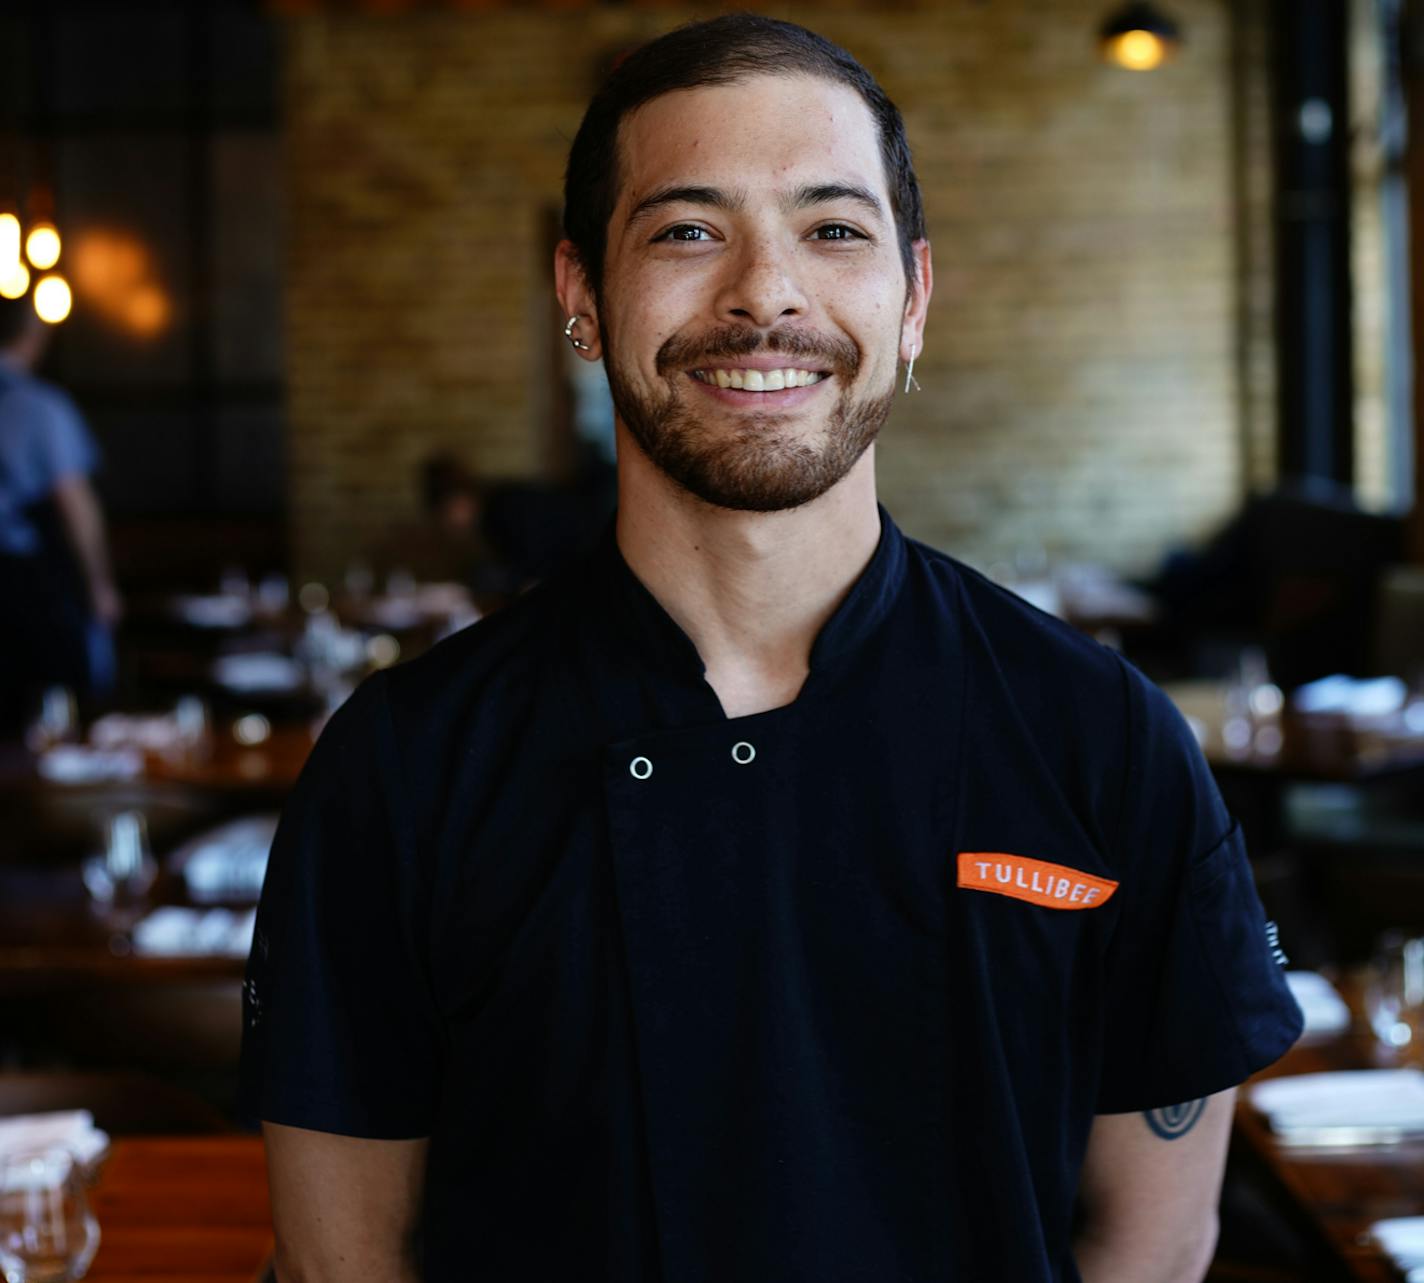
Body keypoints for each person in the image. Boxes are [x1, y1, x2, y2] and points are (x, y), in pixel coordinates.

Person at [242, 16, 1302, 1282]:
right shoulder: (407, 764)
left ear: (910, 303)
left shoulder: (1101, 738)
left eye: (832, 230)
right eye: (687, 230)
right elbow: (343, 1265)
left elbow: (1152, 1241)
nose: (764, 293)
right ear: (582, 294)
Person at [0, 293, 120, 734]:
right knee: (54, 710)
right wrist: (100, 586)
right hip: (33, 582)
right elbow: (76, 504)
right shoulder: (42, 408)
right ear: (32, 335)